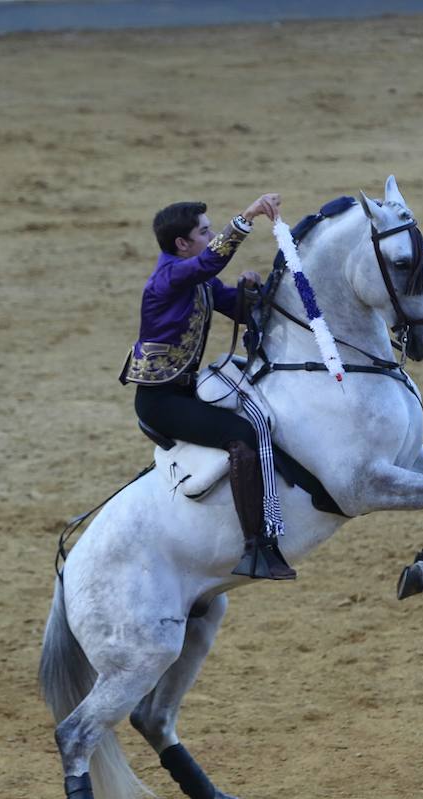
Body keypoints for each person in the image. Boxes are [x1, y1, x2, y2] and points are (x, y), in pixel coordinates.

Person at [119, 194, 296, 581]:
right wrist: (247, 217)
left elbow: (241, 309)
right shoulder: (169, 277)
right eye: (204, 232)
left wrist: (250, 290)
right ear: (183, 244)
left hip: (185, 389)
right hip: (161, 401)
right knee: (242, 434)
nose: (212, 235)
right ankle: (256, 547)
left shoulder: (197, 279)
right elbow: (212, 259)